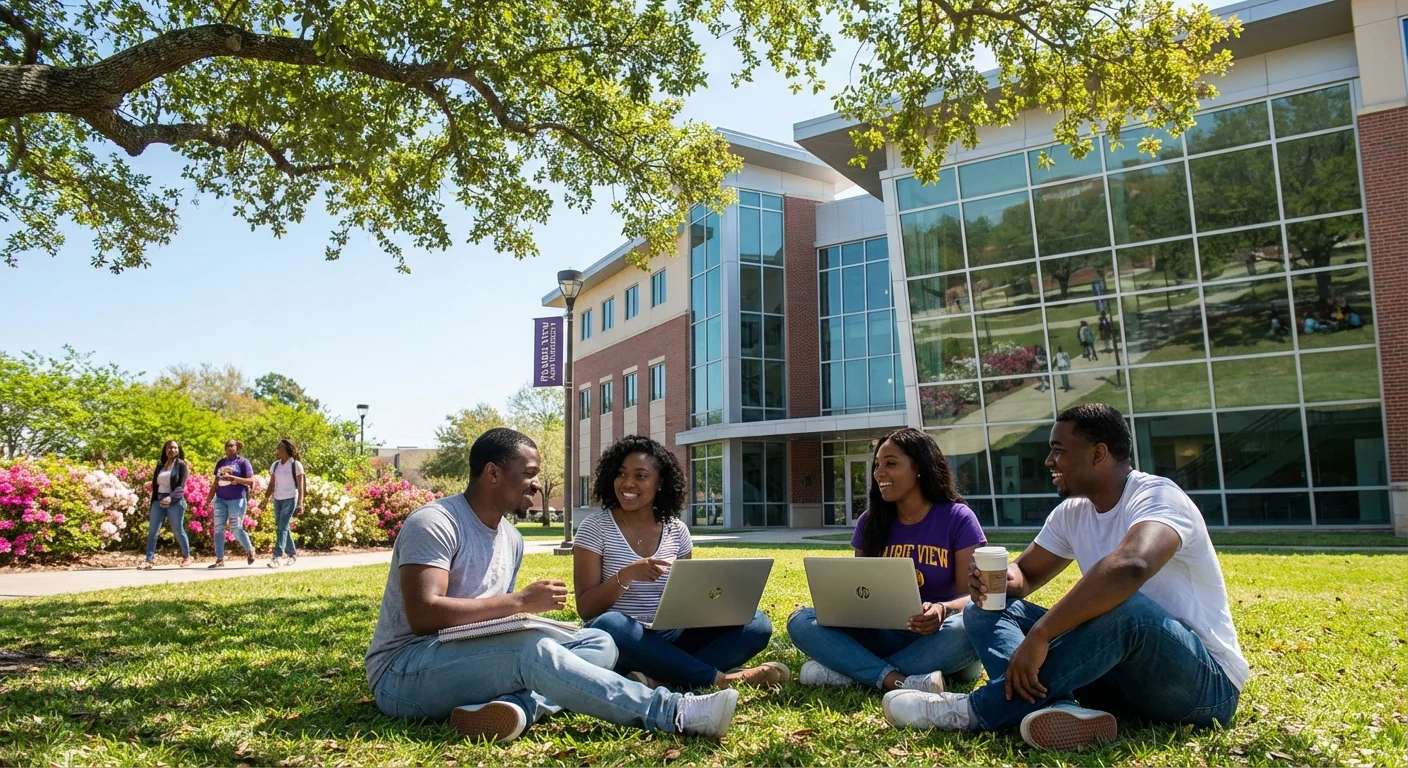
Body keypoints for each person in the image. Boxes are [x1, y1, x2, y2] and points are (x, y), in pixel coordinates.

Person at [883, 404, 1247, 752]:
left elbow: (1131, 565)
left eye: (1058, 450)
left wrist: (1042, 634)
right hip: (1114, 680)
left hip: (1203, 686)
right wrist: (994, 581)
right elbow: (1024, 574)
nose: (1049, 461)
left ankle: (971, 711)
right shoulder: (1072, 513)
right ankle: (1060, 709)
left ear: (1098, 453)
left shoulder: (1158, 496)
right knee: (985, 610)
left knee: (1130, 611)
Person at [365, 428, 739, 743]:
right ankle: (672, 711)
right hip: (405, 672)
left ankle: (518, 708)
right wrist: (522, 602)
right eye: (530, 472)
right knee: (532, 650)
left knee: (599, 643)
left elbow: (489, 625)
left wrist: (530, 621)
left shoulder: (511, 537)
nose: (538, 484)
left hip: (468, 656)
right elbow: (423, 616)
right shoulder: (435, 522)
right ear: (493, 473)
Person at [574, 435, 786, 690]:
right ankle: (719, 678)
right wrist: (626, 575)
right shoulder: (595, 528)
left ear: (660, 483)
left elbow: (688, 597)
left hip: (672, 635)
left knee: (757, 623)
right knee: (610, 623)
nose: (627, 483)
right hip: (627, 640)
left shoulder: (677, 530)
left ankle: (661, 680)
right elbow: (586, 609)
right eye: (621, 474)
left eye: (640, 476)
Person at [787, 427, 984, 694]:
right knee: (801, 620)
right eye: (877, 465)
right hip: (881, 633)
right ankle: (898, 680)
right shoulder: (871, 522)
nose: (879, 473)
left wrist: (942, 609)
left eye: (890, 464)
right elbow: (859, 592)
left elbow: (970, 596)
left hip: (934, 634)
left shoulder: (958, 518)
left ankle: (851, 671)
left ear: (920, 468)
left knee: (971, 626)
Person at [141, 439, 192, 569]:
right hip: (158, 501)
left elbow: (181, 487)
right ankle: (149, 559)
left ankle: (187, 556)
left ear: (178, 450)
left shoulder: (181, 465)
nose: (172, 450)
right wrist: (152, 492)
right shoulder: (160, 465)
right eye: (169, 447)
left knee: (177, 530)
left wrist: (170, 497)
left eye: (175, 448)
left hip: (175, 502)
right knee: (153, 531)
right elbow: (156, 484)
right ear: (165, 450)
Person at [206, 439, 257, 568]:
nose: (229, 448)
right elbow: (216, 482)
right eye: (227, 446)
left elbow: (251, 481)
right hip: (220, 499)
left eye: (232, 446)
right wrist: (209, 499)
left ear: (237, 447)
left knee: (235, 527)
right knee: (218, 528)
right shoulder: (221, 463)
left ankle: (250, 549)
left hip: (237, 499)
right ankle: (220, 559)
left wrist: (234, 479)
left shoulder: (243, 462)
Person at [262, 438, 306, 568]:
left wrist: (301, 503)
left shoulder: (296, 465)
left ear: (286, 449)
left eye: (280, 447)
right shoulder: (275, 465)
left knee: (282, 527)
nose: (278, 450)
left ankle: (277, 557)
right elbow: (272, 483)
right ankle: (292, 554)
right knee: (282, 527)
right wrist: (265, 499)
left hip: (290, 498)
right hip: (277, 499)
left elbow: (301, 486)